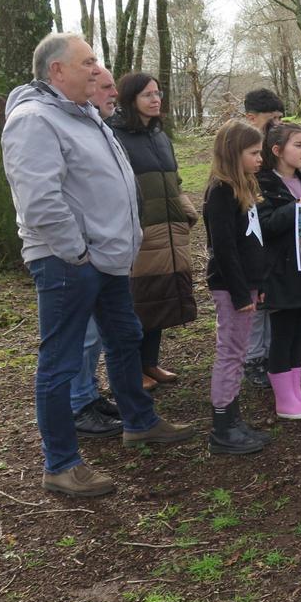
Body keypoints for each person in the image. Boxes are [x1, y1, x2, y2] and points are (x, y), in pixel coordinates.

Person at [3, 33, 194, 496]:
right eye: (87, 62)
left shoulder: (84, 114)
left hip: (106, 259)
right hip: (68, 261)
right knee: (61, 362)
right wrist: (78, 252)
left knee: (125, 336)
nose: (96, 69)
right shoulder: (34, 120)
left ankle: (139, 421)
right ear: (56, 71)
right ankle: (62, 465)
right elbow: (40, 201)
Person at [110, 73, 198, 393]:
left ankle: (150, 362)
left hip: (168, 228)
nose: (155, 99)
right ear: (130, 99)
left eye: (158, 93)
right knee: (138, 300)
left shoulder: (160, 135)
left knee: (159, 296)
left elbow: (174, 180)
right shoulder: (115, 134)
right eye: (147, 94)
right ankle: (132, 369)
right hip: (139, 231)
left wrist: (185, 210)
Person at [203, 120, 271, 455]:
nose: (260, 159)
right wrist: (241, 291)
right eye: (254, 153)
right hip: (231, 289)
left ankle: (233, 418)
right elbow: (225, 248)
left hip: (247, 285)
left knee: (238, 352)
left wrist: (256, 284)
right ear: (234, 153)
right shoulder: (221, 192)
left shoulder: (244, 186)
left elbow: (251, 242)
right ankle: (222, 427)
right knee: (230, 353)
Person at [256, 123, 301, 419]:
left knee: (300, 330)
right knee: (283, 333)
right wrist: (295, 207)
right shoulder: (262, 184)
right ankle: (284, 400)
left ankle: (297, 391)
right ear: (276, 151)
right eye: (297, 145)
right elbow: (266, 224)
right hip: (280, 271)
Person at [69, 72, 124, 438]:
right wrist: (76, 249)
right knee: (83, 334)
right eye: (105, 86)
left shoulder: (100, 129)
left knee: (97, 335)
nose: (113, 93)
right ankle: (77, 405)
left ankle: (88, 394)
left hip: (105, 248)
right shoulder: (61, 127)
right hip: (80, 252)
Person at [241, 88, 285, 389]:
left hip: (274, 240)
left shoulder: (272, 152)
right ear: (251, 118)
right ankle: (253, 359)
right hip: (251, 239)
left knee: (271, 299)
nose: (277, 126)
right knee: (255, 303)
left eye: (281, 119)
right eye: (271, 121)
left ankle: (269, 355)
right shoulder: (241, 154)